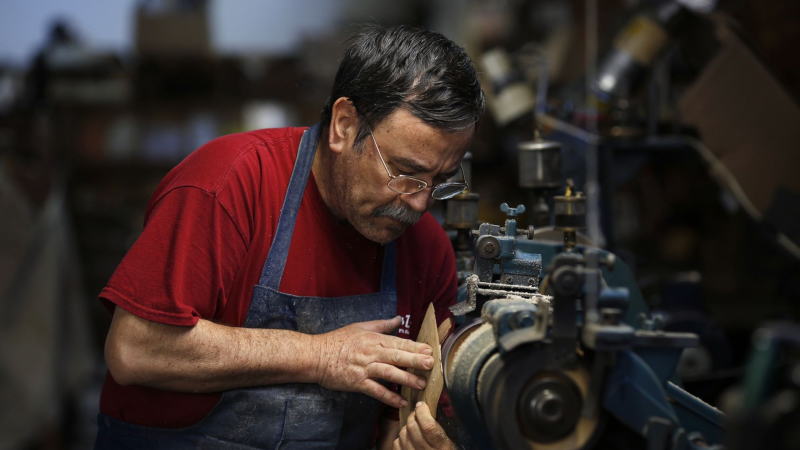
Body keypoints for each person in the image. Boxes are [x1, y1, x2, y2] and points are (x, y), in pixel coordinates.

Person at [95, 24, 484, 449]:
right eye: (405, 173)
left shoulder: (425, 247)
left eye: (441, 180)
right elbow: (135, 349)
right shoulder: (228, 184)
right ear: (344, 125)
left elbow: (400, 413)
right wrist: (322, 356)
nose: (420, 203)